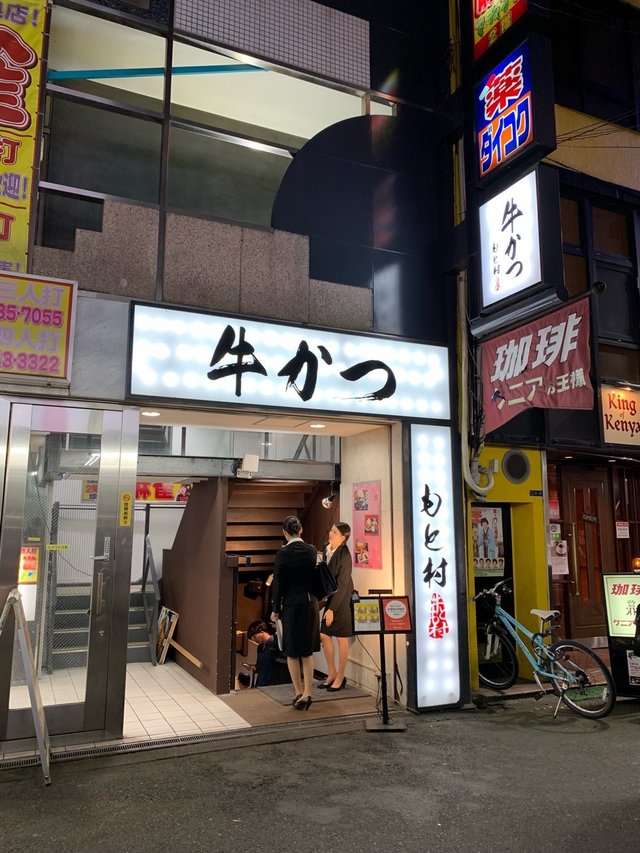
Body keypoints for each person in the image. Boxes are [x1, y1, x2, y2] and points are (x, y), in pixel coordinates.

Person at [270, 515, 320, 710]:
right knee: (307, 651)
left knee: (291, 652)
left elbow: (278, 583)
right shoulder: (311, 550)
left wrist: (275, 609)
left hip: (291, 605)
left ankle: (298, 692)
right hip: (310, 603)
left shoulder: (283, 553)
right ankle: (308, 693)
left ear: (284, 532)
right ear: (301, 530)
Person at [318, 522, 354, 692]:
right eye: (331, 530)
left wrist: (331, 609)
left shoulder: (345, 555)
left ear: (343, 537)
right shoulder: (327, 549)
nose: (330, 534)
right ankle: (331, 672)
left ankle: (340, 676)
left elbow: (343, 584)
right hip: (332, 596)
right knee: (324, 634)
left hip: (343, 598)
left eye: (335, 532)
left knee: (341, 637)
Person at [247, 620, 281, 687]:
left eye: (254, 637)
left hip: (273, 683)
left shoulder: (274, 643)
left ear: (262, 632)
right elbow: (259, 665)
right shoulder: (260, 647)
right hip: (261, 683)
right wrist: (253, 667)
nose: (254, 640)